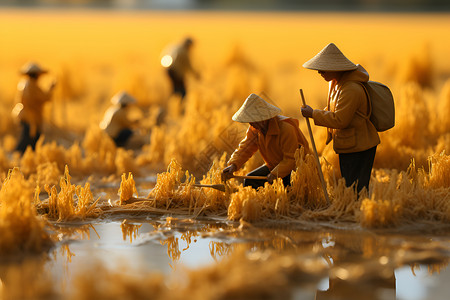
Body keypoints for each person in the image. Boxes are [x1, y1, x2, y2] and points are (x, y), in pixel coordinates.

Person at [300, 43, 380, 193]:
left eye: (323, 69)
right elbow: (334, 110)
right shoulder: (337, 85)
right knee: (350, 185)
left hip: (361, 146)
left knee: (357, 188)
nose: (319, 72)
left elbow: (340, 120)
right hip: (349, 143)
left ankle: (360, 213)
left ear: (335, 68)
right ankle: (353, 211)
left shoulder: (351, 89)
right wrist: (314, 113)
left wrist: (313, 114)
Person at [222, 93, 310, 189]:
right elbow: (245, 148)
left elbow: (291, 159)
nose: (251, 124)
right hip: (273, 167)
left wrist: (275, 174)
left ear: (263, 119)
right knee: (249, 181)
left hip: (295, 170)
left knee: (287, 190)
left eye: (253, 121)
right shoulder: (255, 130)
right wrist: (233, 165)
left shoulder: (286, 129)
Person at [12, 62, 56, 153]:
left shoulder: (23, 84)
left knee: (29, 138)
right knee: (29, 139)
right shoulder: (32, 86)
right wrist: (51, 88)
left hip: (24, 115)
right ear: (36, 75)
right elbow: (45, 98)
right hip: (31, 118)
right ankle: (17, 156)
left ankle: (21, 157)